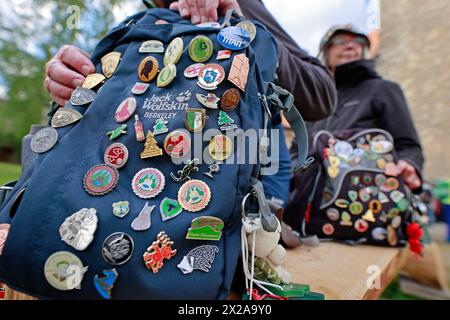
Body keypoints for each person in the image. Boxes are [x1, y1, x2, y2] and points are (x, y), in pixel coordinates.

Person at [43, 0, 337, 205]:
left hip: (251, 163)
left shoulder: (241, 4)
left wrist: (253, 36)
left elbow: (323, 95)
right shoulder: (139, 21)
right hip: (153, 169)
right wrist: (77, 80)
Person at [304, 24, 424, 190]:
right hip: (311, 202)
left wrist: (407, 163)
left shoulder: (382, 89)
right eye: (340, 41)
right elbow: (297, 150)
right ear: (325, 51)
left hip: (366, 198)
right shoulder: (315, 101)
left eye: (359, 42)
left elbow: (408, 145)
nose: (351, 45)